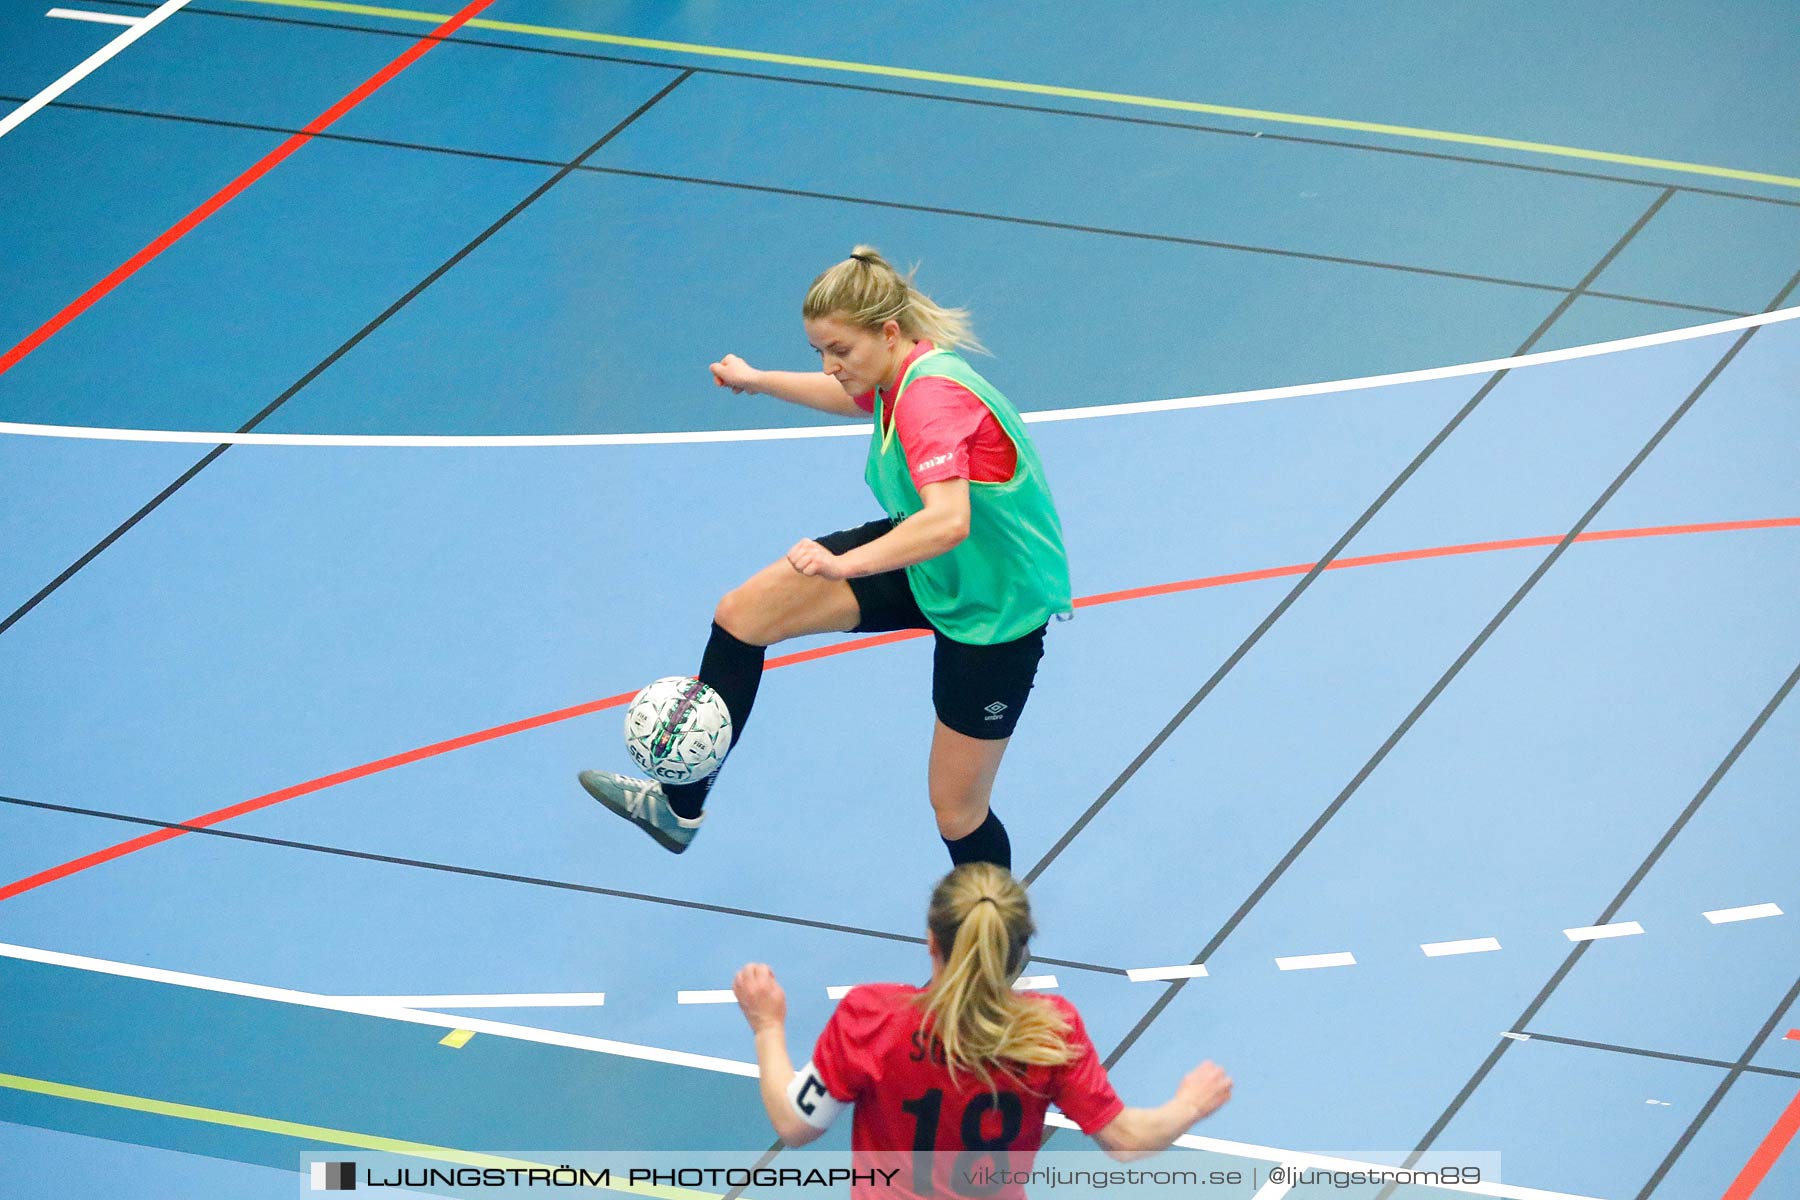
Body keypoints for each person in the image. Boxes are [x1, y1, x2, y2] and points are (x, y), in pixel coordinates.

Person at [580, 247, 1073, 867]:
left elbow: (949, 522)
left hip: (993, 609)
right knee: (744, 615)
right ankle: (678, 808)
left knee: (957, 809)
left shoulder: (933, 399)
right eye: (820, 351)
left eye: (839, 351)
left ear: (889, 333)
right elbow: (853, 398)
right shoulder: (897, 374)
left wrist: (845, 565)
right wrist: (758, 380)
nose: (830, 365)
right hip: (927, 565)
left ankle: (993, 957)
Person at [732, 864, 1232, 1198]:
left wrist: (767, 1026)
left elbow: (794, 1125)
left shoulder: (873, 1018)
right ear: (1019, 952)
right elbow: (1127, 1141)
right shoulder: (1048, 1032)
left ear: (931, 940)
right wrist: (1189, 1104)